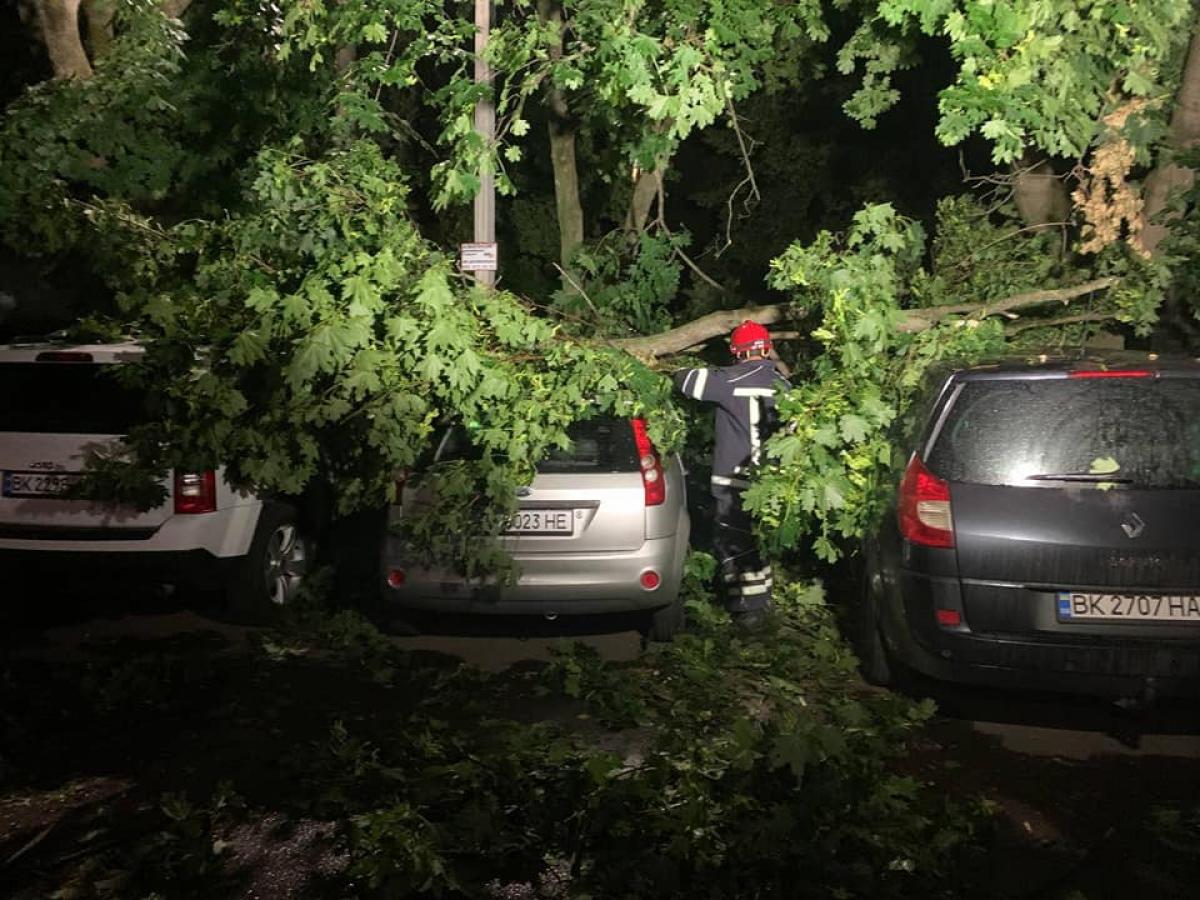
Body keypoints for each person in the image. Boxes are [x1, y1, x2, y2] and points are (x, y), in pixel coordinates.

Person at [674, 320, 790, 629]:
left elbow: (685, 382)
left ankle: (749, 611)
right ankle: (762, 601)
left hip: (734, 480)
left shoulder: (730, 380)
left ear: (736, 352)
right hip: (771, 480)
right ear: (767, 349)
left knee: (734, 540)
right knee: (757, 541)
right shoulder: (785, 387)